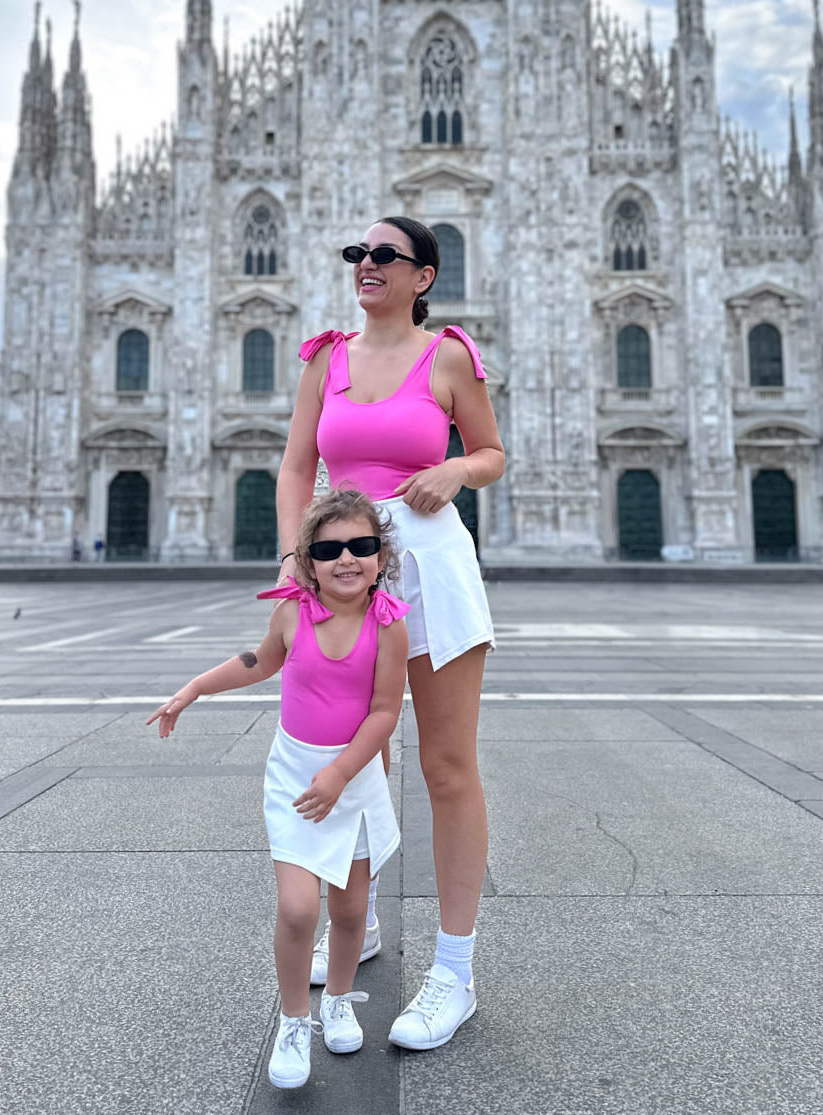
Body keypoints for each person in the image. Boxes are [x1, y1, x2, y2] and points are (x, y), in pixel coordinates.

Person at [277, 216, 505, 1050]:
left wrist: (454, 468)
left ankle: (454, 972)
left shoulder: (448, 356)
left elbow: (490, 452)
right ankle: (358, 918)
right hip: (342, 569)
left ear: (422, 275)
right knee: (354, 758)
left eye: (382, 255)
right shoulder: (324, 359)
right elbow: (296, 465)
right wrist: (294, 560)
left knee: (446, 766)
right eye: (356, 254)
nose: (365, 265)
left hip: (430, 565)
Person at [148, 488, 409, 1089]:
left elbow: (384, 712)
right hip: (295, 779)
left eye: (361, 546)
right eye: (330, 549)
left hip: (354, 779)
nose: (347, 559)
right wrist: (193, 689)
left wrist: (341, 774)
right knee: (297, 909)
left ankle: (337, 1000)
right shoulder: (293, 614)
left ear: (381, 556)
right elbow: (260, 661)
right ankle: (294, 1021)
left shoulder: (389, 624)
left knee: (349, 910)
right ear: (308, 560)